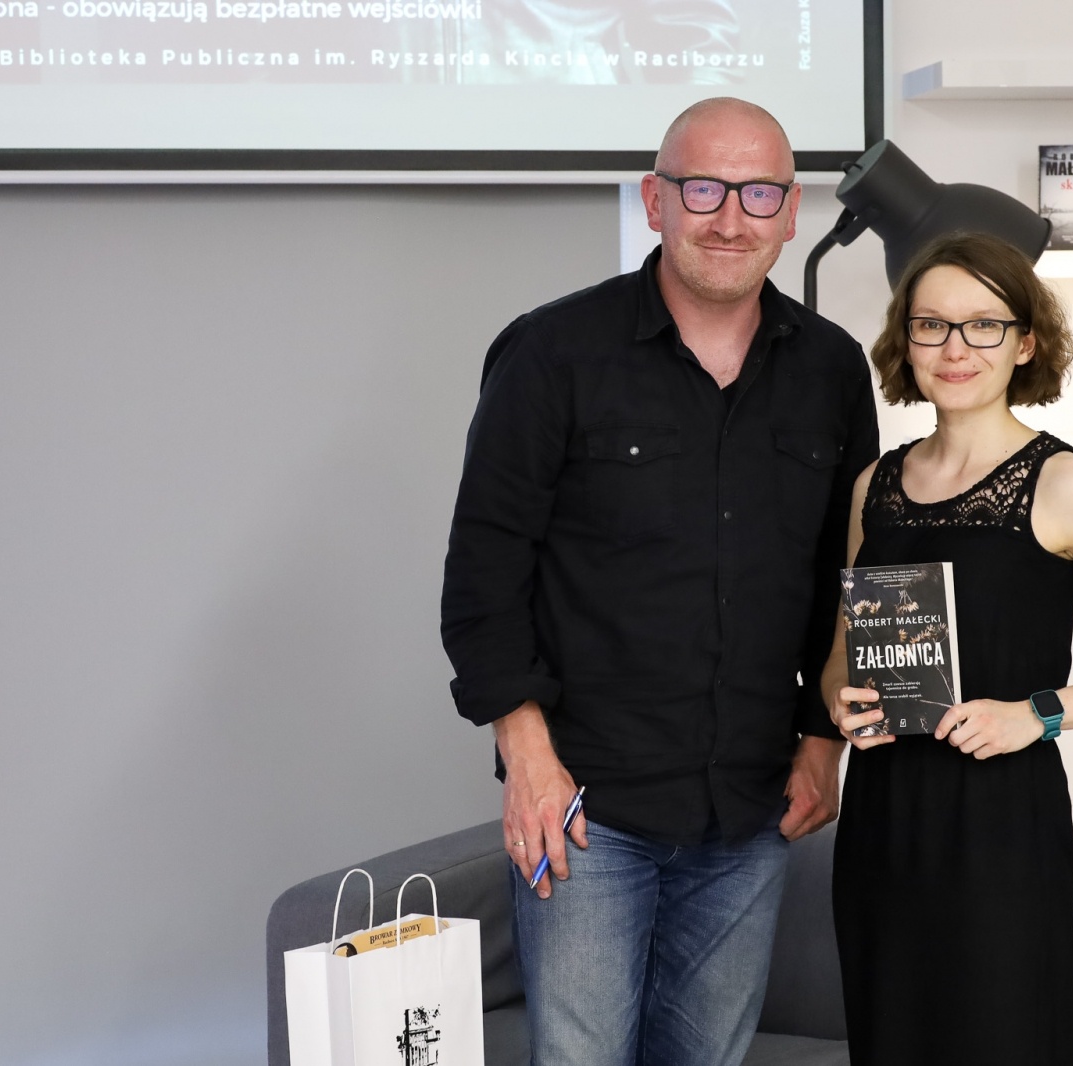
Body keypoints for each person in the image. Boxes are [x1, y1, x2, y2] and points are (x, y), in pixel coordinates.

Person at [440, 96, 879, 1066]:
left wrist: (821, 743)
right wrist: (527, 755)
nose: (731, 217)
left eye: (758, 191)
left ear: (791, 212)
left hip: (751, 801)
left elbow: (838, 576)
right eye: (703, 189)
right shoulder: (553, 353)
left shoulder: (832, 370)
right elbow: (483, 568)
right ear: (655, 200)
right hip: (586, 803)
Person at [822, 232, 1073, 1066]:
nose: (956, 348)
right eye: (932, 326)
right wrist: (840, 699)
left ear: (1026, 342)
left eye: (984, 326)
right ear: (906, 340)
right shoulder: (873, 487)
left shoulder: (1061, 483)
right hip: (883, 827)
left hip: (1001, 831)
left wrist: (1038, 715)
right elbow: (842, 651)